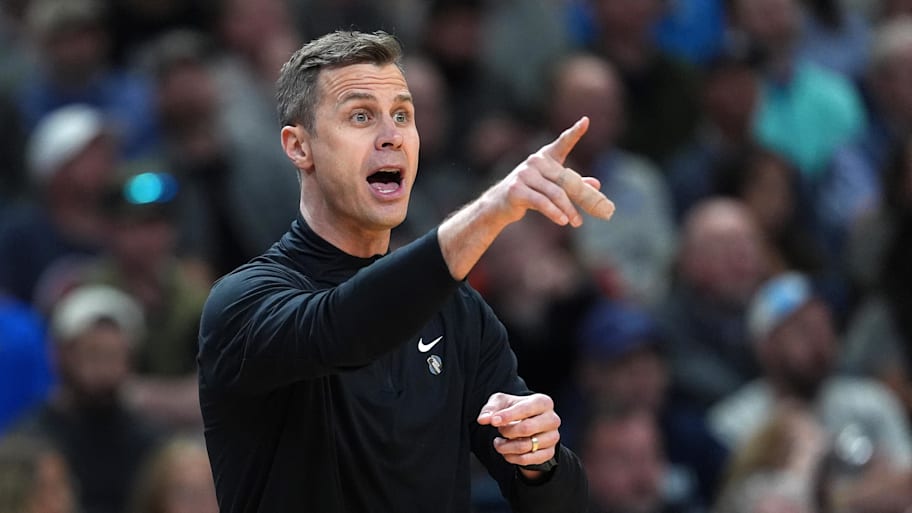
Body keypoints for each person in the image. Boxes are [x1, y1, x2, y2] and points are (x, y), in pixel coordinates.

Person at [197, 30, 610, 512]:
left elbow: (561, 503)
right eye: (360, 116)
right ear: (299, 147)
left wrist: (538, 456)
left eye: (402, 115)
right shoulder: (243, 303)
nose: (391, 135)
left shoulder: (457, 311)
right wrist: (492, 209)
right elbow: (345, 328)